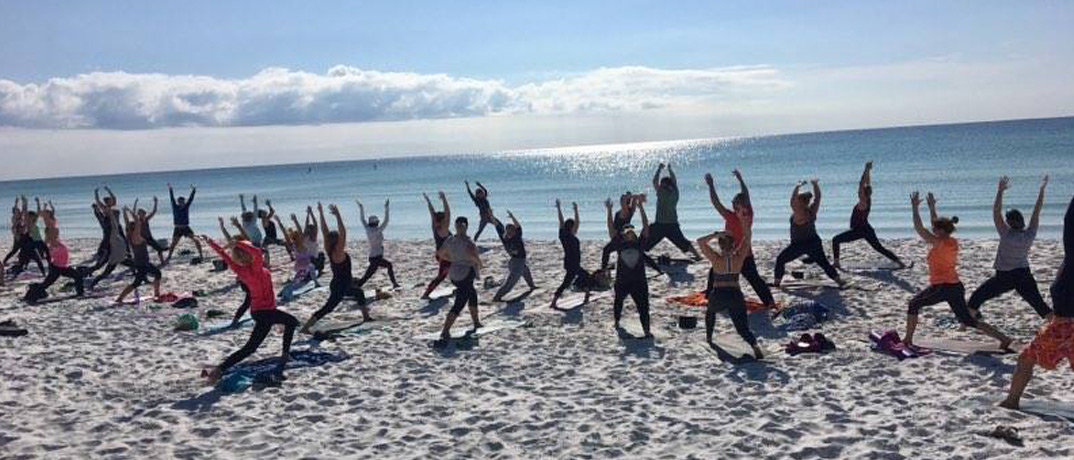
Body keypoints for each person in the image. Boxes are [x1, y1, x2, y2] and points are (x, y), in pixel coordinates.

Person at [904, 191, 1013, 350]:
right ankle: (1003, 338)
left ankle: (907, 339)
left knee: (913, 305)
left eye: (935, 228)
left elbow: (919, 228)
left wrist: (914, 208)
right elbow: (937, 224)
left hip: (943, 287)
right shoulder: (950, 241)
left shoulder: (938, 243)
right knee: (968, 320)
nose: (932, 229)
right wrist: (932, 207)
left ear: (940, 231)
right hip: (954, 286)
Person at [1001, 192, 1074, 409]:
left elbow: (1069, 223)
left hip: (1063, 326)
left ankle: (1011, 401)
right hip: (1064, 322)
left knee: (1025, 358)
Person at [201, 234, 298, 384]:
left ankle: (219, 369)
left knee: (251, 347)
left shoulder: (239, 270)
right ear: (247, 254)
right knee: (290, 323)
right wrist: (237, 242)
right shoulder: (256, 268)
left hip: (258, 312)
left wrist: (211, 242)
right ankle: (285, 355)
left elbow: (224, 255)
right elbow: (257, 252)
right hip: (267, 312)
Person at [969, 176, 1051, 319]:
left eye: (1007, 220)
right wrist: (1042, 191)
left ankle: (970, 323)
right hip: (1023, 275)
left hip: (1004, 277)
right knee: (1041, 307)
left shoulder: (1006, 233)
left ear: (1010, 222)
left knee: (975, 299)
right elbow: (1036, 212)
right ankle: (1061, 328)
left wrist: (1000, 191)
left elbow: (996, 212)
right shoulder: (1029, 234)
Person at [704, 170, 775, 308]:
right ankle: (709, 297)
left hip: (744, 255)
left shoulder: (748, 215)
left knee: (754, 279)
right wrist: (711, 185)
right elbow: (716, 202)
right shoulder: (730, 215)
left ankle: (769, 302)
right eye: (736, 204)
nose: (736, 206)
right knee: (713, 272)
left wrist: (741, 179)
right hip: (729, 254)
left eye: (738, 204)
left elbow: (746, 195)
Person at [299, 203, 371, 334]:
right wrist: (337, 215)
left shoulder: (329, 249)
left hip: (343, 284)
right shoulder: (338, 251)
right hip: (340, 286)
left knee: (359, 293)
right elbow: (343, 231)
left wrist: (321, 213)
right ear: (338, 240)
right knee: (328, 308)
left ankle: (366, 317)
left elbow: (324, 230)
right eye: (339, 238)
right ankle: (305, 328)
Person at [697, 226, 765, 359]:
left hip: (719, 294)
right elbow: (747, 239)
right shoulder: (738, 258)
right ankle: (754, 345)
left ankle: (709, 337)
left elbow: (700, 241)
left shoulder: (716, 258)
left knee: (710, 312)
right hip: (735, 294)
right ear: (733, 244)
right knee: (742, 328)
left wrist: (716, 234)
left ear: (720, 246)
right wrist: (744, 224)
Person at [831, 162, 906, 269]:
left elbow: (861, 183)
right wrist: (868, 171)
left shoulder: (863, 202)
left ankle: (836, 263)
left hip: (860, 230)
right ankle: (900, 262)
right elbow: (866, 183)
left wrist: (865, 169)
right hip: (867, 229)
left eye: (860, 192)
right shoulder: (868, 199)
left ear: (862, 194)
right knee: (879, 248)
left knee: (835, 240)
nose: (858, 192)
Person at [772, 180, 843, 287]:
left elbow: (792, 201)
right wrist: (815, 184)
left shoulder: (799, 213)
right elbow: (818, 197)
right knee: (824, 263)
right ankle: (839, 281)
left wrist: (797, 186)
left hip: (800, 245)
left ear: (800, 202)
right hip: (814, 242)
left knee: (780, 260)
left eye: (798, 200)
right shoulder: (812, 210)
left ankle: (776, 283)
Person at [608, 200, 661, 337]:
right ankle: (617, 321)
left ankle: (647, 331)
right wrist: (609, 210)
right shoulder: (620, 245)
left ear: (634, 233)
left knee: (644, 308)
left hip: (639, 282)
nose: (629, 233)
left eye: (631, 231)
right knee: (618, 302)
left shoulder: (640, 244)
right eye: (627, 232)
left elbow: (646, 226)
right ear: (624, 235)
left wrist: (641, 208)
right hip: (622, 281)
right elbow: (611, 229)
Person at [435, 216, 483, 343]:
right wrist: (480, 264)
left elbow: (440, 254)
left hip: (454, 274)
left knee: (472, 294)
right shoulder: (469, 242)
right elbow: (474, 258)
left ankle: (476, 322)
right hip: (465, 274)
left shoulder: (450, 240)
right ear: (466, 227)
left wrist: (452, 259)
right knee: (460, 303)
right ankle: (445, 330)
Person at [643, 163, 701, 260]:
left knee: (646, 243)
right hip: (671, 224)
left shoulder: (661, 192)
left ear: (664, 185)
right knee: (683, 243)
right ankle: (698, 256)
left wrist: (659, 169)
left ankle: (640, 254)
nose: (660, 185)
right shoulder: (675, 192)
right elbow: (674, 181)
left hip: (661, 224)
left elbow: (654, 181)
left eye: (662, 184)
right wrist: (670, 170)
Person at [114, 206, 162, 304]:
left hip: (142, 262)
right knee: (137, 283)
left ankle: (157, 293)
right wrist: (130, 211)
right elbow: (136, 221)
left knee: (157, 274)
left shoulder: (130, 235)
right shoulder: (136, 237)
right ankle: (119, 299)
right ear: (135, 228)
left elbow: (127, 223)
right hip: (141, 263)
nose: (138, 226)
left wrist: (124, 212)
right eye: (136, 226)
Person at [549, 199, 591, 309]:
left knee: (584, 276)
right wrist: (560, 209)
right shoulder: (566, 235)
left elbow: (570, 222)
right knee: (567, 282)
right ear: (571, 227)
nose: (576, 227)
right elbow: (562, 221)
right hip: (572, 263)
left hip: (572, 263)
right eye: (574, 226)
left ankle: (586, 294)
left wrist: (574, 210)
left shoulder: (565, 235)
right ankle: (554, 301)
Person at [491, 211, 538, 301]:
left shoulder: (517, 236)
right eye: (508, 231)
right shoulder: (504, 237)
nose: (510, 233)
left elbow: (518, 226)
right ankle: (497, 298)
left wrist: (512, 217)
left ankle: (532, 286)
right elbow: (497, 225)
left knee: (526, 271)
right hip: (516, 263)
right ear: (506, 231)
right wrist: (491, 216)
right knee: (510, 284)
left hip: (518, 261)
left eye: (512, 231)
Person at [355, 198, 400, 289]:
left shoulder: (367, 229)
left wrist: (361, 208)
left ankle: (356, 286)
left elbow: (362, 219)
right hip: (377, 257)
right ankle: (394, 283)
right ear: (376, 223)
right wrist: (386, 208)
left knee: (367, 276)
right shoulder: (378, 230)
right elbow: (386, 220)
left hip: (373, 257)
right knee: (388, 266)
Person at [36, 227, 85, 298]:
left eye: (57, 232)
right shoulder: (51, 242)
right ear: (50, 234)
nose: (57, 233)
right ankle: (33, 294)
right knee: (46, 284)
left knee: (78, 276)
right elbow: (47, 254)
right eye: (55, 232)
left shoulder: (55, 240)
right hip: (57, 268)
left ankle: (80, 293)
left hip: (63, 267)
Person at [420, 192, 452, 299]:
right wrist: (444, 199)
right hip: (445, 257)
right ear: (443, 220)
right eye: (444, 219)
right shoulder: (443, 229)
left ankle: (460, 286)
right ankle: (426, 294)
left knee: (457, 269)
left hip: (441, 255)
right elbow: (448, 213)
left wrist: (428, 201)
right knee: (442, 276)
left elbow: (432, 213)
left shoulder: (435, 227)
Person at [165, 183, 203, 263]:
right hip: (178, 228)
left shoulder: (186, 206)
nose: (181, 203)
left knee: (196, 240)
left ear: (184, 202)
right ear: (178, 202)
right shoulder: (175, 207)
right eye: (180, 202)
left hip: (186, 228)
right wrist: (170, 189)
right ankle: (169, 257)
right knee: (173, 244)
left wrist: (193, 190)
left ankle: (201, 255)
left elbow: (191, 199)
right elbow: (171, 198)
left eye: (182, 201)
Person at [601, 192, 636, 270]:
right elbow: (634, 201)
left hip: (620, 238)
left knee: (607, 250)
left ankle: (603, 269)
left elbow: (610, 223)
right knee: (609, 251)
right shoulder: (631, 210)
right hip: (621, 237)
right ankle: (605, 268)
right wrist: (634, 196)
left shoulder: (625, 211)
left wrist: (609, 209)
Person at [137, 197, 167, 265]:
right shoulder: (137, 221)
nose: (144, 214)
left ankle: (162, 261)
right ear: (139, 214)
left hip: (149, 237)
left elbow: (154, 212)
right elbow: (133, 214)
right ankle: (141, 263)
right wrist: (135, 204)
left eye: (144, 213)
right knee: (142, 252)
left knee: (159, 249)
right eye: (142, 213)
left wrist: (156, 202)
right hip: (142, 239)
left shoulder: (146, 219)